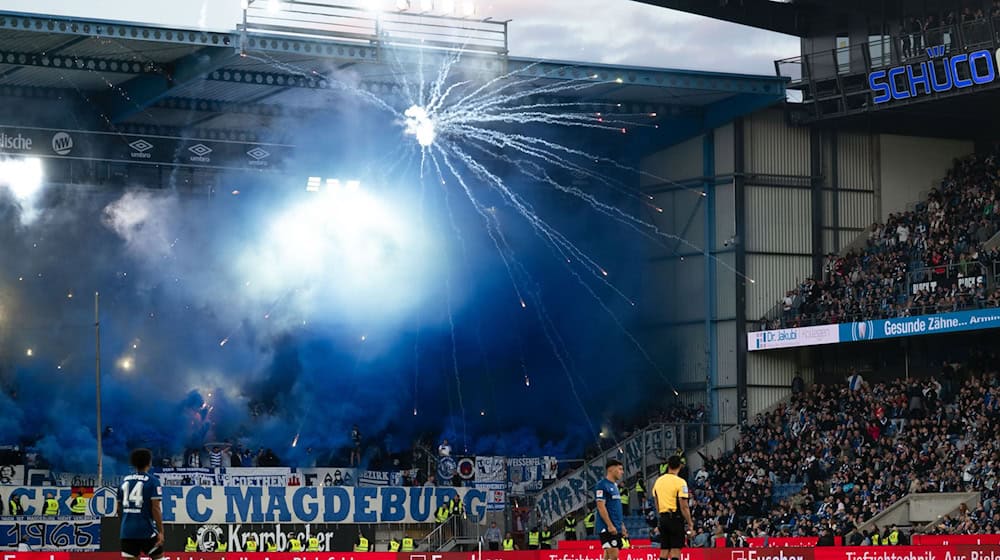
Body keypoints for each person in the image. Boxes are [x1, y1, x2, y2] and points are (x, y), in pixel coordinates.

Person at [118, 448, 164, 560]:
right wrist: (161, 532)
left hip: (127, 532)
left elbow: (118, 509)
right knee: (158, 557)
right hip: (146, 531)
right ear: (149, 462)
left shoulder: (124, 481)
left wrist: (126, 523)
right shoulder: (153, 481)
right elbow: (155, 509)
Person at [652, 456, 692, 560]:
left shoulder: (658, 481)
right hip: (675, 518)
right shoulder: (680, 482)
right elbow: (684, 506)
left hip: (663, 518)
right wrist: (690, 523)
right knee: (675, 549)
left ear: (668, 465)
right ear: (680, 466)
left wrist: (660, 517)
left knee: (664, 549)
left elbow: (656, 502)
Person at [595, 459, 627, 560]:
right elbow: (601, 506)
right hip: (607, 527)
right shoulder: (602, 485)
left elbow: (616, 508)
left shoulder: (615, 486)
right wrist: (609, 525)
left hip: (615, 526)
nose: (622, 472)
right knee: (614, 556)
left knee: (608, 556)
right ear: (611, 469)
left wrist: (621, 525)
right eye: (620, 469)